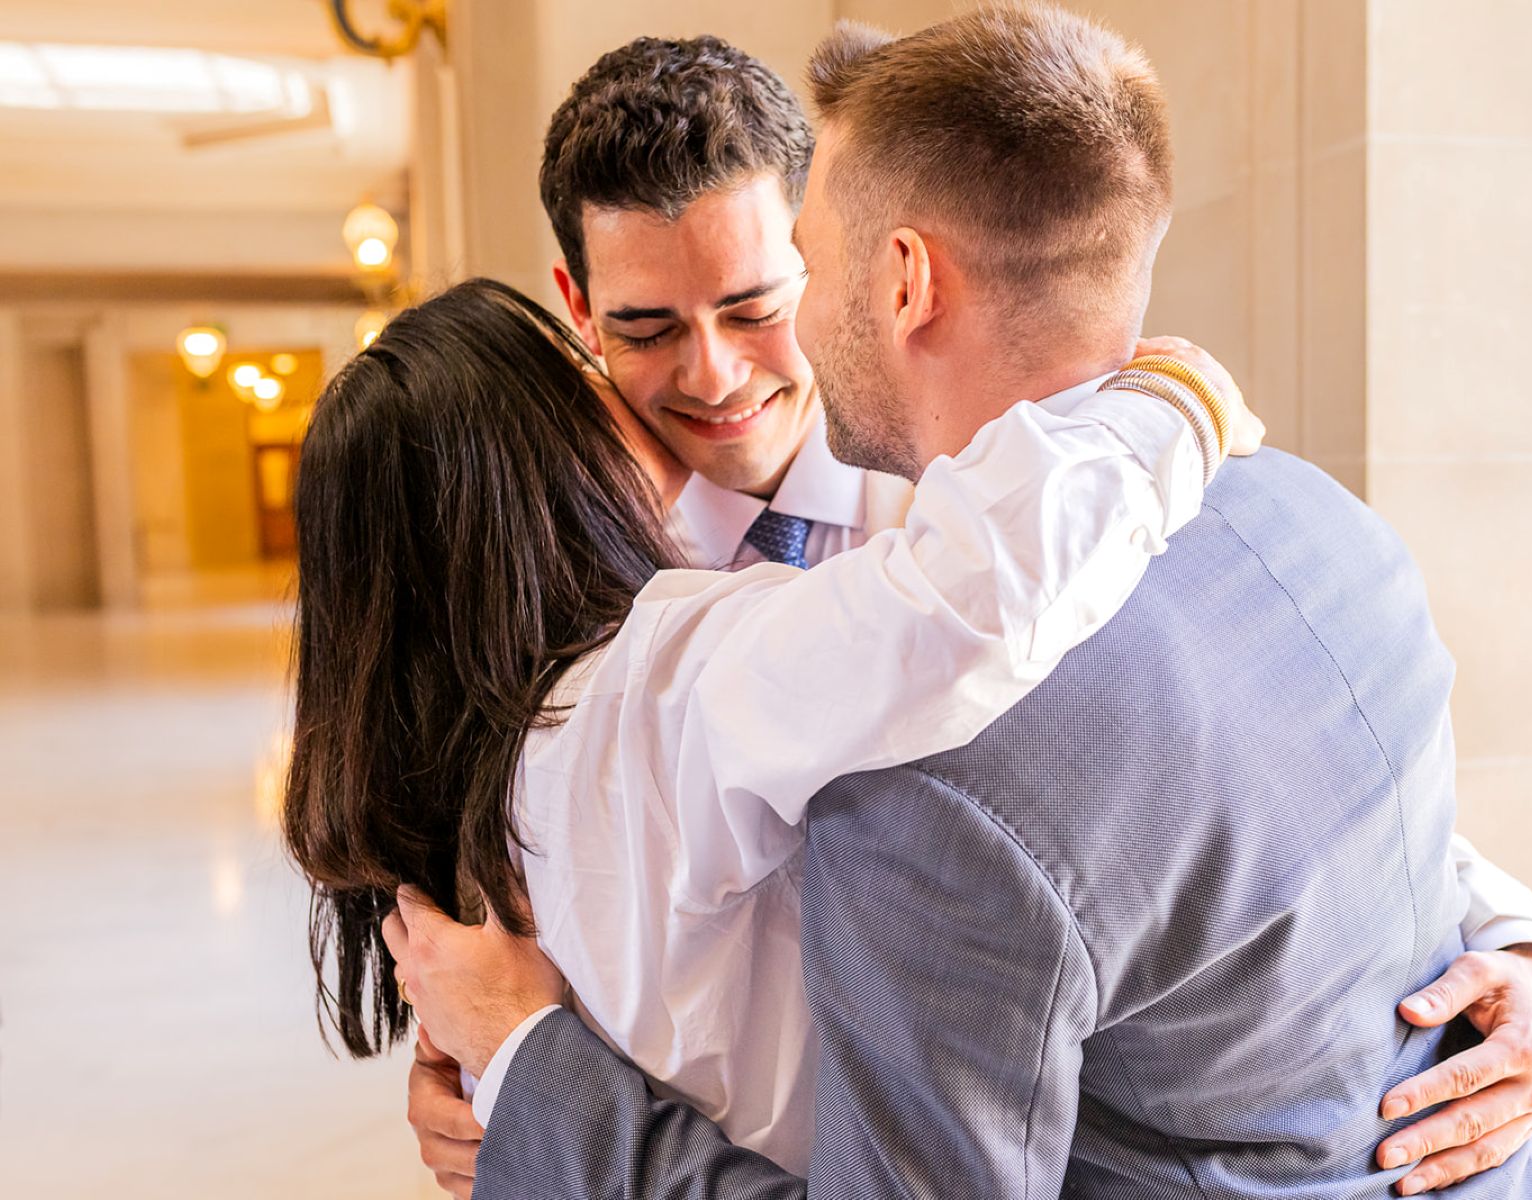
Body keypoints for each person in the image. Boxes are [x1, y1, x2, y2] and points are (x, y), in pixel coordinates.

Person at [387, 8, 1532, 1198]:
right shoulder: (557, 592)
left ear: (882, 271)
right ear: (576, 303)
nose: (715, 372)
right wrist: (500, 1079)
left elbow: (1280, 794)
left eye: (763, 301)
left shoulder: (1008, 577)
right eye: (646, 328)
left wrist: (1527, 953)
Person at [284, 275, 1241, 1169]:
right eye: (603, 361)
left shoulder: (463, 776)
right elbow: (976, 594)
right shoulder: (659, 676)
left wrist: (513, 1074)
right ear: (553, 455)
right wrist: (1175, 396)